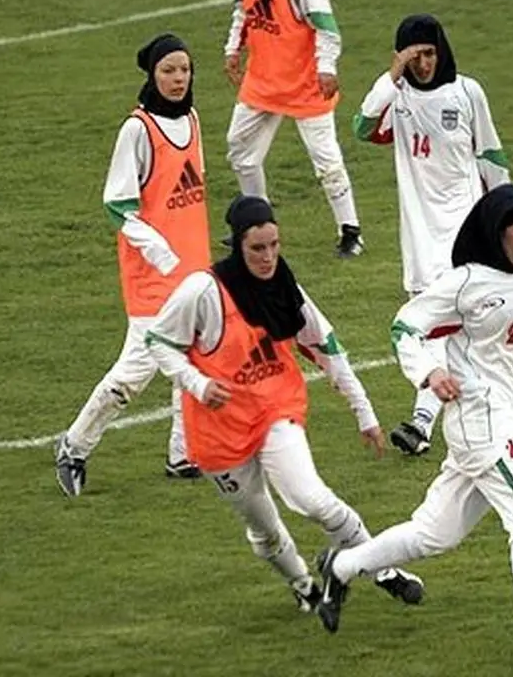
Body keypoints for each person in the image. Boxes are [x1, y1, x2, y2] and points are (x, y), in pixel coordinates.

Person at [313, 184, 513, 665]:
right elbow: (405, 327)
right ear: (497, 233)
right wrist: (430, 371)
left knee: (434, 533)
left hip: (511, 421)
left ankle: (342, 566)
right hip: (480, 424)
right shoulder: (465, 284)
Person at [144, 195, 424, 611]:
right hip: (219, 436)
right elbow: (158, 342)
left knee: (314, 500)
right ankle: (303, 584)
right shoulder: (202, 291)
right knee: (264, 531)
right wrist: (197, 384)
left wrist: (364, 412)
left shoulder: (285, 287)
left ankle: (383, 570)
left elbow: (327, 348)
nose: (268, 257)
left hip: (275, 412)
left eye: (274, 245)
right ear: (237, 245)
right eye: (257, 248)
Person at [54, 33, 209, 497]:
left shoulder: (193, 119)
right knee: (136, 373)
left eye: (184, 69)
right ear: (152, 75)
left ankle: (183, 455)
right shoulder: (138, 130)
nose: (178, 78)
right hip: (152, 277)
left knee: (193, 358)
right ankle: (74, 445)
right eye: (169, 70)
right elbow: (117, 205)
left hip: (194, 270)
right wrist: (158, 249)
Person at [353, 13, 511, 458]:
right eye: (414, 56)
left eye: (429, 53)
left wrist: (507, 216)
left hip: (466, 232)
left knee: (440, 329)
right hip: (420, 238)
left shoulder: (467, 92)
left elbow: (491, 155)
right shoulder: (397, 100)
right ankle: (470, 416)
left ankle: (422, 423)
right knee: (438, 333)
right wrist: (391, 77)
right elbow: (362, 127)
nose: (423, 64)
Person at [222, 0, 363, 258]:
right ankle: (256, 222)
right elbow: (243, 5)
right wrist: (233, 47)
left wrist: (326, 66)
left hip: (304, 78)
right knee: (240, 149)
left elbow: (324, 20)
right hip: (263, 77)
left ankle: (351, 231)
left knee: (326, 161)